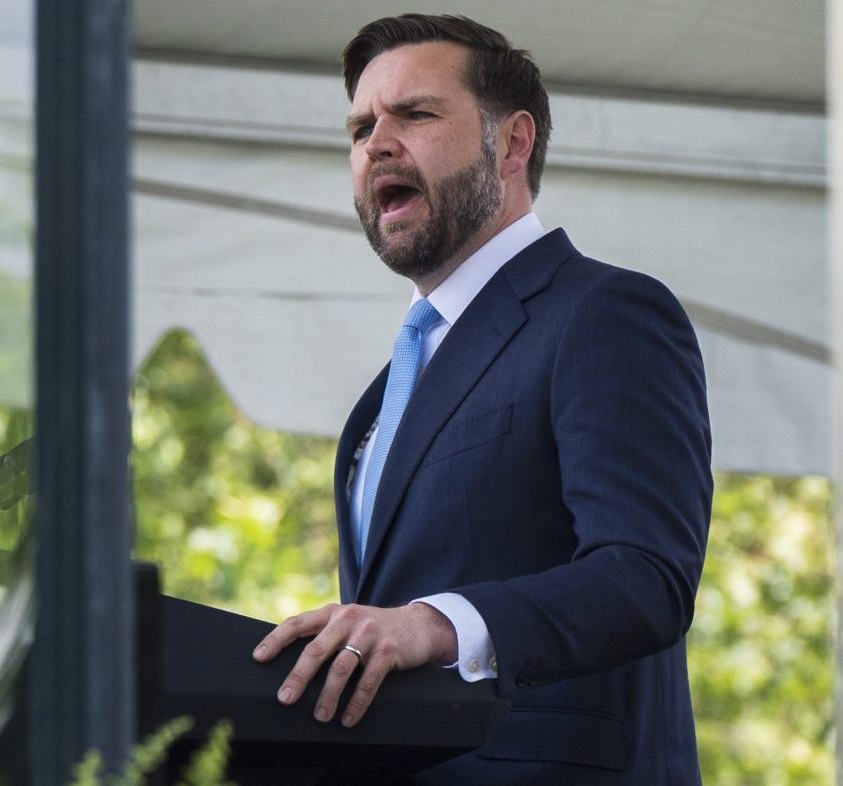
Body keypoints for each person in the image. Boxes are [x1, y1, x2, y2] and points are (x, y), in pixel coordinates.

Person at [251, 13, 712, 784]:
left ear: (513, 143)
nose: (377, 144)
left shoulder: (604, 313)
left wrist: (436, 624)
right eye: (361, 128)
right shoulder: (387, 392)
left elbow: (646, 577)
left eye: (415, 114)